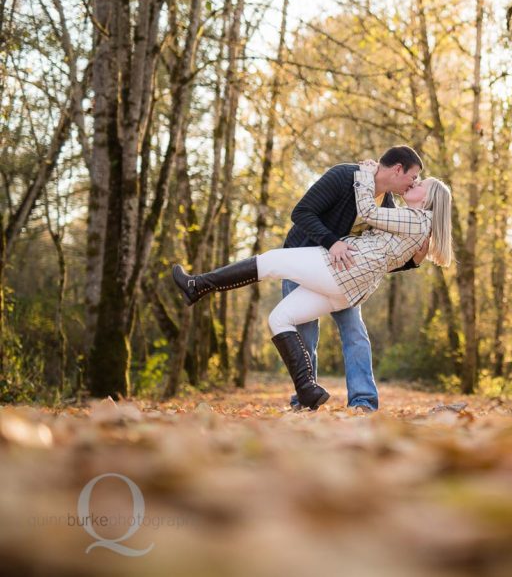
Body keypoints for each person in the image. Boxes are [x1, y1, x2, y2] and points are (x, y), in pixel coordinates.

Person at [170, 154, 454, 410]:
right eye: (414, 178)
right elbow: (305, 214)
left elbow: (368, 217)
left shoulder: (412, 217)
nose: (413, 183)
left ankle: (198, 285)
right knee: (280, 318)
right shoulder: (349, 179)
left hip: (339, 271)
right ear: (397, 169)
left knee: (270, 262)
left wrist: (366, 176)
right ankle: (307, 392)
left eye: (419, 184)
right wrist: (409, 260)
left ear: (428, 200)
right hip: (335, 275)